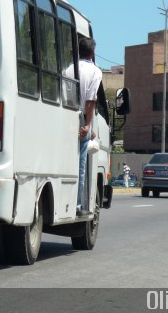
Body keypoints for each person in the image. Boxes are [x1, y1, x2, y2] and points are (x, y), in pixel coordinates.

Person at [76, 37, 102, 215]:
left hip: (65, 115)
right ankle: (78, 205)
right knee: (80, 165)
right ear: (92, 53)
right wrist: (87, 125)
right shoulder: (95, 72)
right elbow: (91, 101)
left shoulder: (69, 67)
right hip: (81, 120)